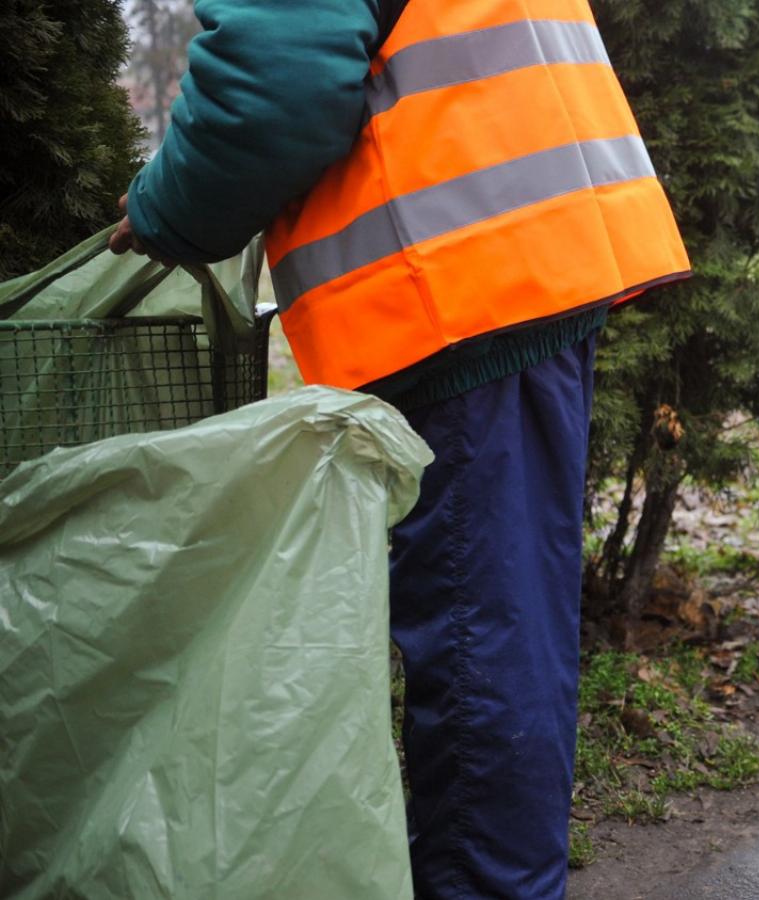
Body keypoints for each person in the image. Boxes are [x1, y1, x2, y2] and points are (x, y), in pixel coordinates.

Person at [109, 0, 691, 896]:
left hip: (465, 278)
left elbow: (279, 75)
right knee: (506, 622)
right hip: (520, 248)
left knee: (479, 630)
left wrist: (164, 208)